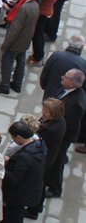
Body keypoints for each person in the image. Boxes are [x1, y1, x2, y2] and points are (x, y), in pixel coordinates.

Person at [0, 0, 40, 94]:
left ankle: (4, 85)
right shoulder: (34, 5)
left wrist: (5, 45)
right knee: (20, 61)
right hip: (25, 40)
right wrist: (9, 9)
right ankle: (17, 83)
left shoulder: (24, 8)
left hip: (16, 41)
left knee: (7, 60)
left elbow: (15, 29)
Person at [46, 70, 86, 198]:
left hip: (63, 136)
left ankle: (55, 188)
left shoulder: (76, 103)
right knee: (58, 157)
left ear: (73, 84)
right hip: (61, 133)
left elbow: (70, 124)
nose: (62, 77)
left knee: (57, 161)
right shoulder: (67, 90)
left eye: (66, 77)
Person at [1, 120, 46, 223]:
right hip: (32, 187)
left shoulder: (24, 157)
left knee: (13, 216)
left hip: (19, 194)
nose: (12, 140)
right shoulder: (40, 144)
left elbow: (13, 179)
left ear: (19, 137)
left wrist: (1, 167)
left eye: (13, 138)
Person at [40, 35, 86, 100]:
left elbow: (44, 76)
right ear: (81, 47)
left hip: (49, 95)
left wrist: (46, 89)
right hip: (68, 100)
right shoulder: (83, 64)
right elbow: (83, 87)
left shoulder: (55, 56)